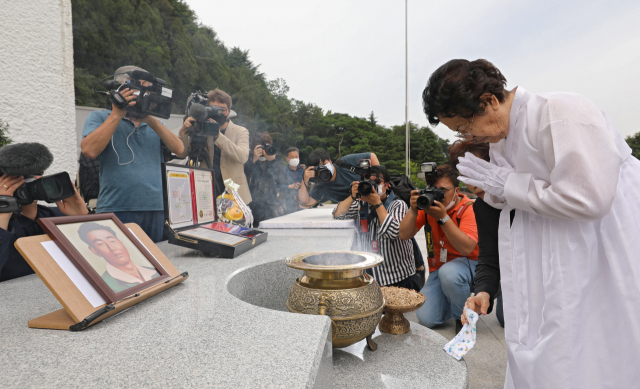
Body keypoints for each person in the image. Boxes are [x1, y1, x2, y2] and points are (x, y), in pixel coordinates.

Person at [423, 58, 640, 388]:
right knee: (549, 342)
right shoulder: (501, 140)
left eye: (465, 126)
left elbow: (590, 198)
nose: (469, 135)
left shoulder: (560, 110)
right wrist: (495, 192)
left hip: (600, 244)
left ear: (489, 101)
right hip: (551, 248)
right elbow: (506, 199)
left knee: (597, 341)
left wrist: (508, 185)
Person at [81, 65, 185, 242]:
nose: (144, 94)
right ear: (122, 89)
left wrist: (150, 118)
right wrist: (116, 115)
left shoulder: (154, 123)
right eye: (140, 88)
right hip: (116, 207)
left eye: (148, 90)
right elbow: (89, 150)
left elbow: (180, 150)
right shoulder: (100, 117)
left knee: (155, 264)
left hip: (155, 208)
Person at [398, 164, 479, 333]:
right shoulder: (427, 207)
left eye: (443, 190)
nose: (437, 195)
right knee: (427, 318)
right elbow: (404, 234)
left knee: (450, 273)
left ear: (457, 191)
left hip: (472, 264)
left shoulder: (468, 208)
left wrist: (443, 218)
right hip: (441, 268)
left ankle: (461, 317)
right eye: (434, 189)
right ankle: (454, 297)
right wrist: (413, 210)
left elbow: (467, 248)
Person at [0, 143, 90, 282]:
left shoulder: (57, 217)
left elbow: (96, 262)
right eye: (24, 178)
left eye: (39, 174)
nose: (36, 181)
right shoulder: (4, 224)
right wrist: (3, 211)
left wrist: (81, 219)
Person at [333, 166, 420, 291]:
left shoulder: (398, 204)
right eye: (369, 183)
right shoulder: (360, 203)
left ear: (387, 185)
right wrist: (352, 196)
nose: (372, 186)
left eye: (377, 182)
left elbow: (394, 232)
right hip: (370, 277)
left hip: (398, 277)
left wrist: (377, 204)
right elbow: (337, 215)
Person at [449, 139, 504, 327]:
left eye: (478, 171)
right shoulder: (481, 206)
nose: (473, 184)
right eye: (466, 176)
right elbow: (488, 257)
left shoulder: (528, 200)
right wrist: (483, 292)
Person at [175, 88, 251, 204]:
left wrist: (217, 136)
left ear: (229, 112)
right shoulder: (200, 128)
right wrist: (183, 133)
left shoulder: (240, 131)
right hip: (207, 193)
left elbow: (243, 156)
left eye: (222, 110)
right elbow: (182, 153)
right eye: (213, 109)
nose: (217, 113)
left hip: (235, 196)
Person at [77, 222, 160, 293]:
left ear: (121, 243)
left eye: (112, 241)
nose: (112, 248)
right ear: (94, 251)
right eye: (100, 244)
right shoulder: (107, 285)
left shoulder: (155, 270)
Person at [298, 149, 380, 206]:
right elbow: (306, 202)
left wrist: (377, 182)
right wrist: (304, 180)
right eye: (319, 169)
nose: (323, 169)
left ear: (330, 161)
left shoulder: (345, 163)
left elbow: (371, 156)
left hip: (376, 197)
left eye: (324, 164)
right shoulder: (322, 187)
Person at [244, 132, 285, 226]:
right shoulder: (247, 159)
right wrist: (253, 160)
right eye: (260, 148)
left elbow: (282, 180)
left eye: (265, 147)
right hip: (251, 207)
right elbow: (243, 180)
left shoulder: (275, 159)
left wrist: (273, 161)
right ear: (252, 149)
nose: (263, 151)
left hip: (270, 207)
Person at [279, 147, 305, 214]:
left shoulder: (303, 170)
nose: (295, 159)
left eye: (296, 157)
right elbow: (277, 186)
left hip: (303, 204)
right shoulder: (283, 171)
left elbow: (310, 185)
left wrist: (301, 185)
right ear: (287, 159)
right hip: (289, 204)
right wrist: (290, 186)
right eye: (292, 157)